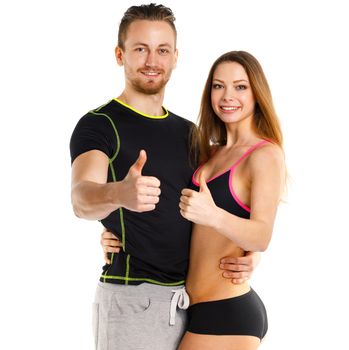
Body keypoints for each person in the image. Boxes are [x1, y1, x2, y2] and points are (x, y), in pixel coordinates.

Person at [70, 4, 259, 350]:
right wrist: (119, 195)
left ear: (175, 57)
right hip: (133, 301)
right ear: (119, 54)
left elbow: (227, 200)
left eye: (162, 50)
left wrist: (247, 250)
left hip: (193, 304)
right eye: (140, 49)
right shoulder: (100, 124)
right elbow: (82, 197)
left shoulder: (190, 134)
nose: (152, 60)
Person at [177, 51, 285, 349]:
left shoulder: (265, 154)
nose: (227, 96)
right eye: (218, 85)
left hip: (227, 312)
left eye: (240, 86)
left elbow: (261, 235)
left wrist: (212, 215)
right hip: (193, 310)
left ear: (256, 93)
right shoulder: (209, 151)